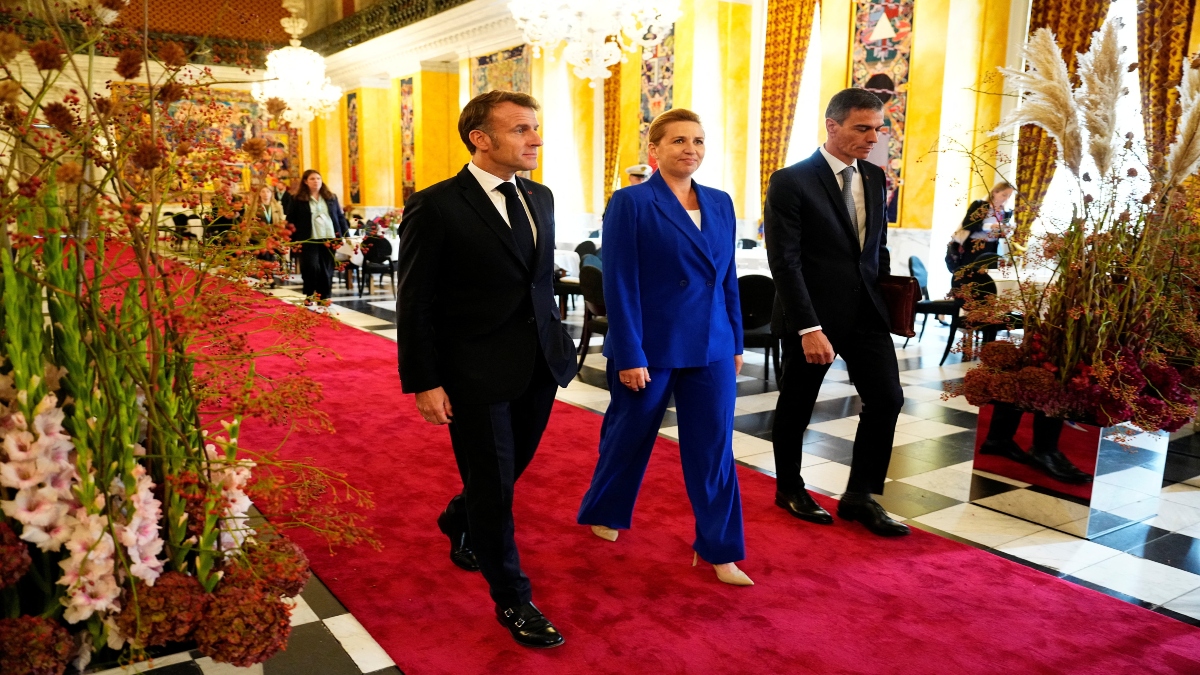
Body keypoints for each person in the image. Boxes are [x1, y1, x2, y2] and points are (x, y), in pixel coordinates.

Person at [396, 90, 577, 649]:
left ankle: (458, 516)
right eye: (522, 129)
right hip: (472, 370)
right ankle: (513, 597)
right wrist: (424, 380)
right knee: (496, 488)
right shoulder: (438, 205)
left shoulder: (540, 197)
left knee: (505, 471)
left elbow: (536, 280)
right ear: (481, 137)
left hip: (539, 363)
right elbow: (415, 300)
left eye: (535, 128)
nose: (536, 139)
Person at [577, 108, 752, 586]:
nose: (689, 149)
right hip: (651, 344)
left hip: (713, 344)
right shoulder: (631, 202)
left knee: (714, 447)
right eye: (677, 140)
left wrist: (735, 340)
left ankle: (719, 548)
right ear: (654, 150)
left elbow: (727, 278)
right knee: (629, 433)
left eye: (697, 140)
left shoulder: (720, 203)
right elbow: (620, 282)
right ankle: (607, 508)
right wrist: (629, 352)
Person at [765, 87, 909, 537]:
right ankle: (788, 486)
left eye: (878, 129)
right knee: (798, 405)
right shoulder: (791, 180)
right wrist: (808, 326)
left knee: (887, 399)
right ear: (833, 126)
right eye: (862, 128)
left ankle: (859, 496)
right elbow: (784, 261)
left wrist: (887, 303)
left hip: (866, 313)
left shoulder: (873, 176)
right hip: (812, 316)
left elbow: (876, 248)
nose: (873, 137)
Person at [283, 170, 349, 302]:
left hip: (329, 237)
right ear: (306, 181)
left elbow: (339, 216)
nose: (316, 181)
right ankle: (310, 293)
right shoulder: (297, 199)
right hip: (308, 238)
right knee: (311, 267)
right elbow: (291, 220)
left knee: (326, 268)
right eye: (312, 179)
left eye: (318, 178)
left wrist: (345, 233)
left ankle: (324, 295)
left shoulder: (331, 197)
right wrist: (290, 239)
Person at [946, 182, 1015, 272]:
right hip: (973, 246)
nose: (1006, 198)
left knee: (988, 276)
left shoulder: (1006, 212)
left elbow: (999, 235)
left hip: (992, 248)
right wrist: (990, 226)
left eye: (1009, 196)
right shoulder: (980, 205)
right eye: (1004, 195)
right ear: (995, 192)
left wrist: (1006, 231)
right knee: (970, 274)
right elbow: (967, 224)